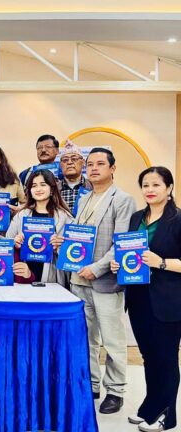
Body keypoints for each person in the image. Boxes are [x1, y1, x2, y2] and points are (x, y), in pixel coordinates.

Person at [60, 147, 135, 414]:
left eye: (100, 164)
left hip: (106, 281)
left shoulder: (122, 200)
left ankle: (115, 390)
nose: (93, 168)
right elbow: (78, 237)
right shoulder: (84, 199)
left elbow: (121, 243)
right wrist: (62, 243)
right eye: (90, 164)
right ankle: (91, 384)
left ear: (112, 168)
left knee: (112, 340)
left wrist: (97, 268)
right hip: (79, 280)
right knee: (86, 337)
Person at [109, 167, 181, 431]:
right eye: (145, 185)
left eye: (156, 185)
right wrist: (119, 264)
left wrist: (161, 262)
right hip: (138, 297)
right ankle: (150, 408)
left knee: (166, 358)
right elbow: (129, 253)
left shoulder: (178, 220)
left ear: (169, 188)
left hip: (168, 300)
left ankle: (166, 415)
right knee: (149, 356)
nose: (150, 190)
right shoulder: (137, 217)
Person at [6, 169, 73, 285]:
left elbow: (73, 254)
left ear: (52, 189)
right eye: (34, 186)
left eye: (43, 185)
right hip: (24, 275)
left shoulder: (64, 217)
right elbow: (7, 243)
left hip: (52, 276)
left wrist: (59, 247)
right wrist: (15, 243)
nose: (38, 189)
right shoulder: (22, 214)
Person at [58, 140, 92, 214]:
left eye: (74, 159)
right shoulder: (53, 190)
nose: (69, 162)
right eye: (65, 160)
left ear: (83, 162)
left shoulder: (93, 187)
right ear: (60, 165)